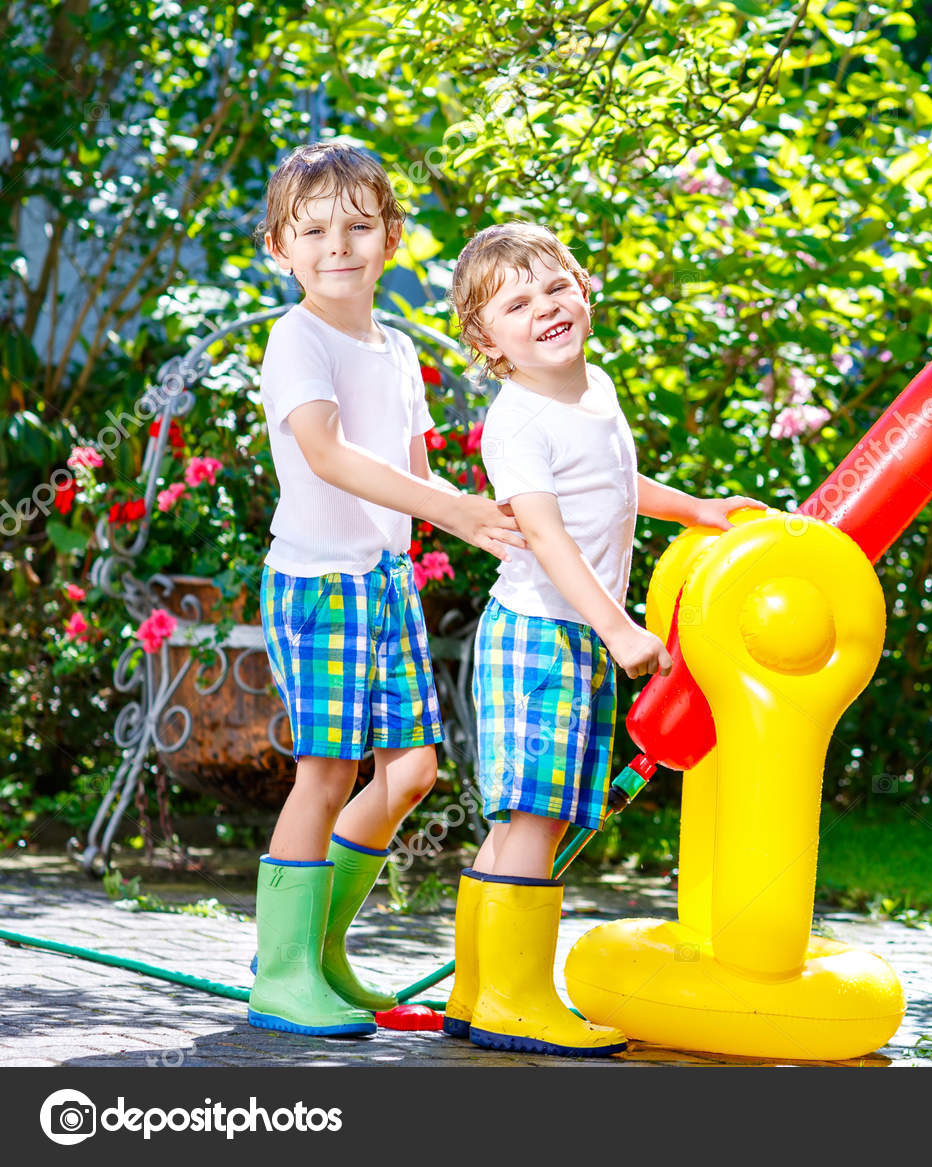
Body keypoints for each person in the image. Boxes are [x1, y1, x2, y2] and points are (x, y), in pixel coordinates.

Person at [443, 221, 761, 1055]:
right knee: (535, 818)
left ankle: (477, 995)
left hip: (573, 633)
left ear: (584, 286)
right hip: (546, 634)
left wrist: (693, 508)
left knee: (523, 820)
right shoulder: (516, 422)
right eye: (517, 304)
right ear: (488, 342)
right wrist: (619, 629)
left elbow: (614, 483)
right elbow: (545, 536)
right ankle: (515, 1001)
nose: (544, 308)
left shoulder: (594, 391)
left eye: (554, 286)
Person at [250, 142, 524, 1036]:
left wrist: (496, 518)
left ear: (390, 238)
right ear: (278, 249)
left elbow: (416, 474)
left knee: (410, 771)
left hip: (384, 583)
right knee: (325, 771)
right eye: (315, 229)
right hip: (318, 584)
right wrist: (456, 510)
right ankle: (280, 972)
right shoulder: (297, 339)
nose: (339, 245)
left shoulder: (397, 351)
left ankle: (316, 951)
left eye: (359, 226)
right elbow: (328, 455)